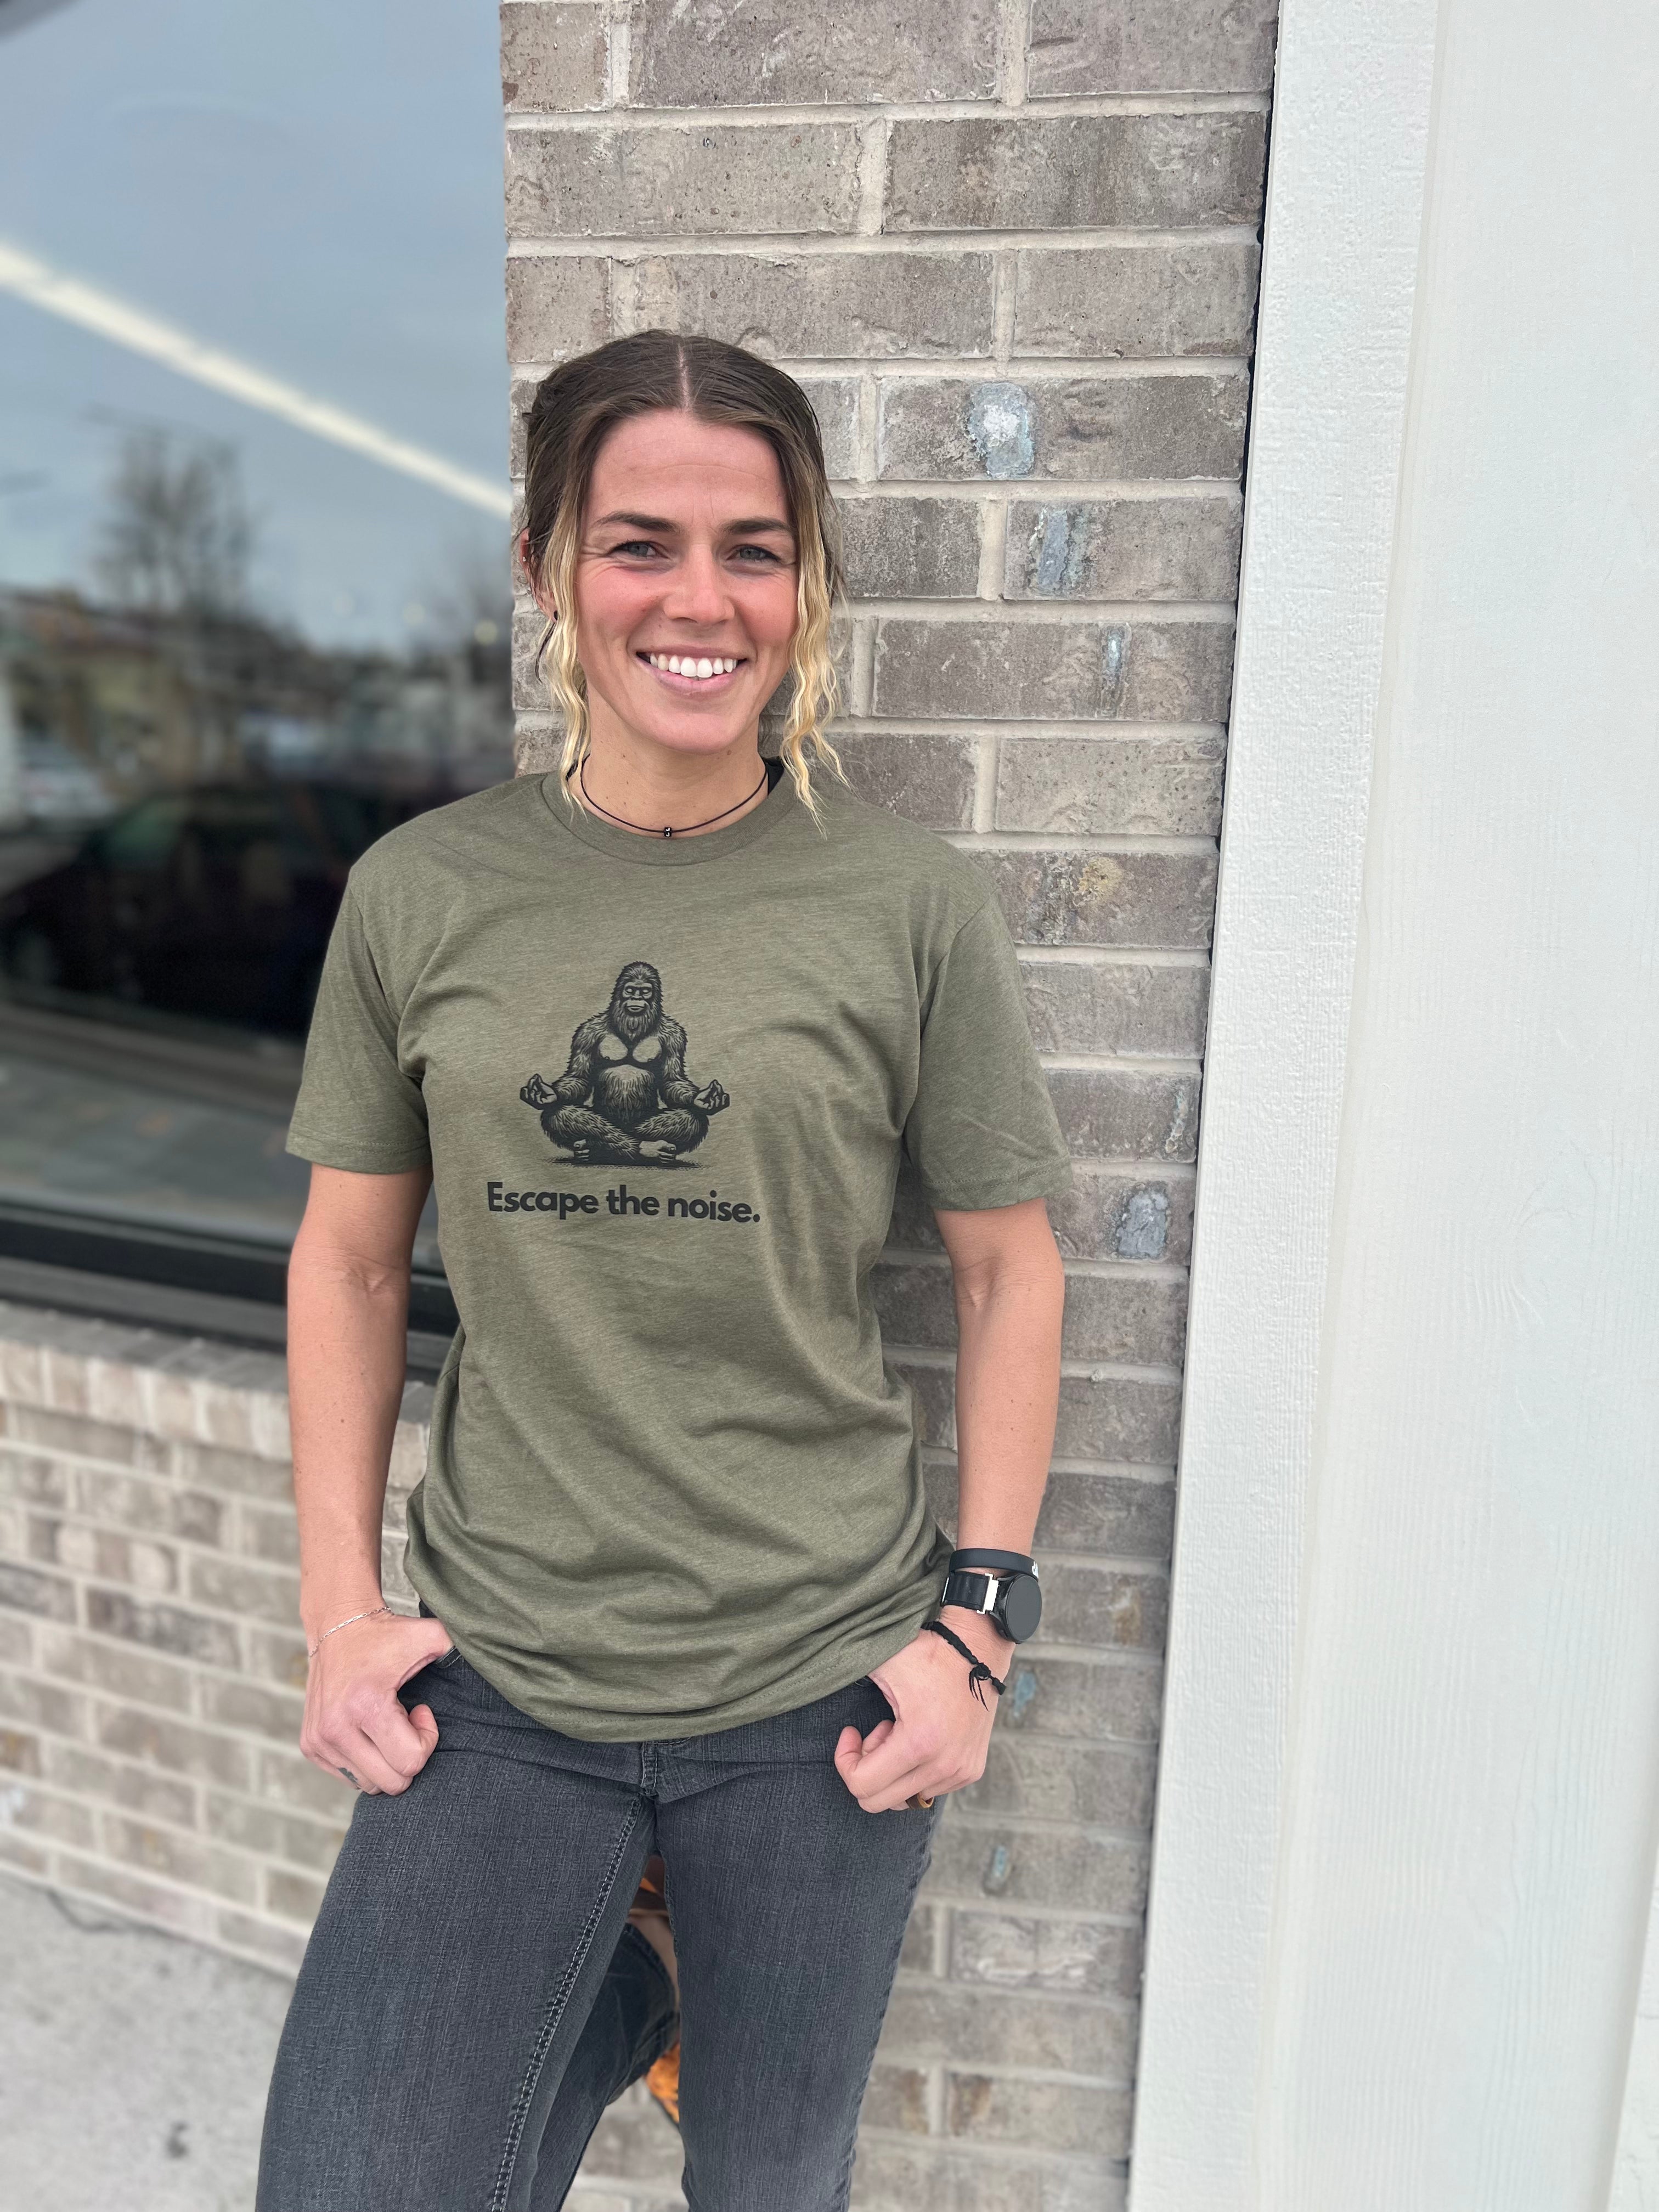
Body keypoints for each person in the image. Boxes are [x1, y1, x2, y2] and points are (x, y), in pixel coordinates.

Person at [255, 330, 1071, 2212]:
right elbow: (353, 1264)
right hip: (505, 1672)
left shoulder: (901, 906)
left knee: (770, 2183)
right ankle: (628, 1986)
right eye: (639, 544)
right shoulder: (424, 894)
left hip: (821, 1688)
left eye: (753, 549)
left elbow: (1011, 1271)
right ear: (548, 567)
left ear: (805, 585)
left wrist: (979, 1636)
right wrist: (336, 1611)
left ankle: (649, 1987)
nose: (700, 602)